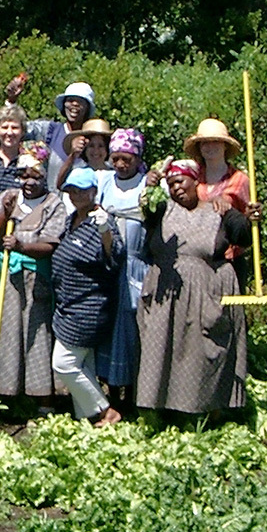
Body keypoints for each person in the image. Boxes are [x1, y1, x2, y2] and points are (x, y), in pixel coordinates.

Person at [138, 159, 252, 416]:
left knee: (197, 355)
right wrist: (150, 186)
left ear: (195, 181)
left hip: (202, 294)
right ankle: (159, 413)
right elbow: (146, 208)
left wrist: (250, 217)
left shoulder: (217, 210)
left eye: (180, 181)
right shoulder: (162, 210)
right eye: (171, 184)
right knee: (161, 350)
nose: (176, 188)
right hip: (165, 294)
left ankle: (202, 412)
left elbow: (243, 234)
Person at [36, 168, 123, 426]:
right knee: (83, 364)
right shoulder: (70, 220)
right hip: (66, 303)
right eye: (71, 190)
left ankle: (107, 411)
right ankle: (87, 418)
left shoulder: (102, 221)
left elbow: (113, 255)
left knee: (64, 364)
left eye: (81, 190)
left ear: (94, 192)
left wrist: (105, 230)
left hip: (89, 305)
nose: (75, 195)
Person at [0, 148, 66, 407]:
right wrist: (5, 214)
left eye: (34, 176)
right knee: (8, 332)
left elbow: (50, 245)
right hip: (8, 278)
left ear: (44, 177)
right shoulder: (8, 198)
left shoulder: (53, 204)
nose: (29, 182)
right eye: (23, 176)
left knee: (37, 335)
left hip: (37, 279)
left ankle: (42, 398)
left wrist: (22, 247)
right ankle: (5, 397)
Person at [92, 128, 150, 403]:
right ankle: (111, 393)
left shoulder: (147, 185)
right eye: (115, 158)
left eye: (127, 159)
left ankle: (136, 394)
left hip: (137, 268)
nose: (120, 165)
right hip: (109, 267)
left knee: (134, 330)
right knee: (108, 329)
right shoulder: (104, 182)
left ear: (137, 158)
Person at [17, 79, 94, 182]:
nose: (75, 104)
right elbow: (19, 128)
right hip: (51, 196)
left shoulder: (93, 140)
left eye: (80, 101)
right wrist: (11, 102)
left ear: (87, 108)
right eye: (70, 100)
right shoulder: (49, 131)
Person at [184, 118, 251, 215]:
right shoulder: (193, 177)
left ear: (225, 146)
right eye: (205, 142)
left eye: (216, 141)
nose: (210, 146)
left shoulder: (240, 179)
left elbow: (248, 217)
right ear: (199, 147)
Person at [55, 119, 113, 187]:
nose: (96, 150)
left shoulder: (114, 174)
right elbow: (60, 184)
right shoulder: (78, 173)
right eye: (91, 146)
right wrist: (73, 155)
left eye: (101, 146)